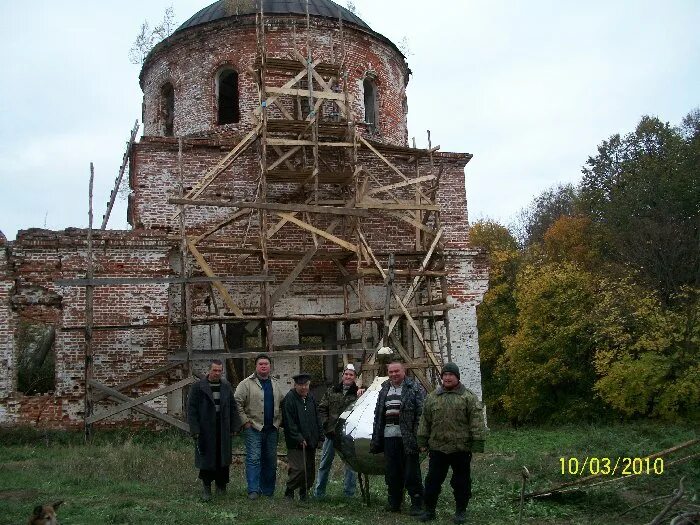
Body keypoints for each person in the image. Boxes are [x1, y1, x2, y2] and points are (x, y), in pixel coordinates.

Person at [416, 362, 487, 523]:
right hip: (437, 448)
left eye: (451, 375)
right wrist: (422, 440)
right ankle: (429, 511)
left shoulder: (468, 397)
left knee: (461, 482)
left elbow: (476, 422)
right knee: (432, 481)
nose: (447, 377)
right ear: (442, 377)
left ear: (457, 377)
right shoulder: (432, 397)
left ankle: (461, 511)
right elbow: (424, 421)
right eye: (445, 375)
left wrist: (477, 443)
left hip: (460, 449)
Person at [370, 359, 425, 515]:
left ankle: (417, 504)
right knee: (392, 472)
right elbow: (378, 415)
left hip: (408, 438)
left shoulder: (414, 388)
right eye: (391, 372)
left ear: (404, 372)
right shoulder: (384, 389)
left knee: (411, 473)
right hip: (389, 438)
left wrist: (418, 437)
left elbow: (421, 415)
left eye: (397, 371)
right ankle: (394, 503)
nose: (394, 374)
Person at [187, 359, 241, 501]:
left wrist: (235, 426)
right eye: (214, 370)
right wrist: (195, 429)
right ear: (208, 370)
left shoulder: (226, 386)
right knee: (206, 459)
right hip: (205, 429)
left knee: (222, 458)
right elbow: (191, 410)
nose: (217, 373)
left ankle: (221, 487)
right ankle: (206, 489)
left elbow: (233, 407)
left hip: (223, 428)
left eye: (219, 371)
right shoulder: (198, 387)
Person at [234, 353, 283, 499]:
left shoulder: (275, 383)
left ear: (270, 366)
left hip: (272, 428)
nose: (263, 366)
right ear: (256, 366)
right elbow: (237, 402)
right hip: (254, 428)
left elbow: (281, 403)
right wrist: (245, 422)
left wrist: (278, 421)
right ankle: (253, 490)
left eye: (266, 364)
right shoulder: (246, 384)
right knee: (254, 458)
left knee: (270, 460)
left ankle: (267, 491)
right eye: (261, 364)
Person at [313, 363, 364, 498]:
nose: (348, 376)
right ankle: (319, 493)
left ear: (355, 377)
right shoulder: (332, 391)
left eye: (351, 375)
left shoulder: (359, 394)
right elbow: (322, 408)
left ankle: (349, 494)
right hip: (331, 434)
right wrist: (326, 425)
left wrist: (361, 395)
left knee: (350, 467)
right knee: (324, 464)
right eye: (346, 374)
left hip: (347, 435)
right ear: (342, 376)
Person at [282, 373, 322, 501]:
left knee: (310, 470)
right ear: (295, 385)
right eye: (301, 385)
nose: (304, 387)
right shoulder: (290, 398)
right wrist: (298, 438)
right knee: (299, 469)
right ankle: (289, 490)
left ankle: (304, 492)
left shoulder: (311, 398)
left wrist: (320, 436)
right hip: (296, 442)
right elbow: (289, 422)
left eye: (306, 385)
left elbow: (317, 417)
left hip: (311, 440)